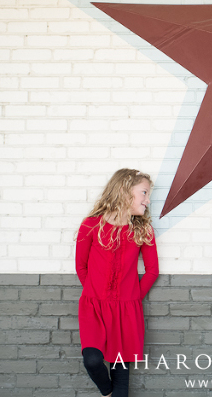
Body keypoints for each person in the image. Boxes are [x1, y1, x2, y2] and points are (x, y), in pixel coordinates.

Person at [76, 169, 159, 397]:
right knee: (92, 360)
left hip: (126, 311)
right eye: (144, 192)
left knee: (121, 376)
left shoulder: (143, 230)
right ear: (124, 191)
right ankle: (107, 392)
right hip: (94, 308)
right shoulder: (91, 225)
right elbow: (81, 266)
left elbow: (152, 270)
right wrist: (94, 291)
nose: (147, 200)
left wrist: (133, 298)